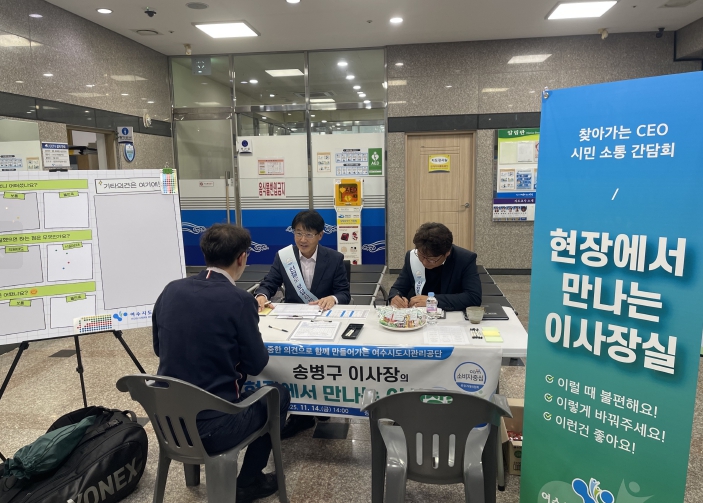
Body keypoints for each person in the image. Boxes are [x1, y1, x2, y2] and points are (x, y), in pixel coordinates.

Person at [152, 223, 290, 503]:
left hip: (168, 422)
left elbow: (159, 348)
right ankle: (249, 481)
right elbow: (256, 363)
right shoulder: (239, 300)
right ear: (242, 257)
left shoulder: (170, 290)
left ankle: (205, 477)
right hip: (214, 428)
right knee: (278, 394)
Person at [254, 210, 351, 438]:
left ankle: (321, 402)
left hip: (325, 322)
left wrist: (333, 298)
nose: (302, 239)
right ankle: (301, 415)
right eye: (298, 233)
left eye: (308, 234)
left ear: (320, 235)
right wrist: (261, 295)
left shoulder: (334, 258)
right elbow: (269, 283)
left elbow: (344, 293)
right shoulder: (284, 257)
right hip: (293, 321)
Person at [389, 222, 482, 311]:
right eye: (421, 256)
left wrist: (432, 300)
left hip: (450, 315)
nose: (424, 262)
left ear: (447, 253)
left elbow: (473, 297)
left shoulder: (464, 259)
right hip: (419, 315)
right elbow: (398, 288)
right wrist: (395, 297)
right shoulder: (412, 256)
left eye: (431, 259)